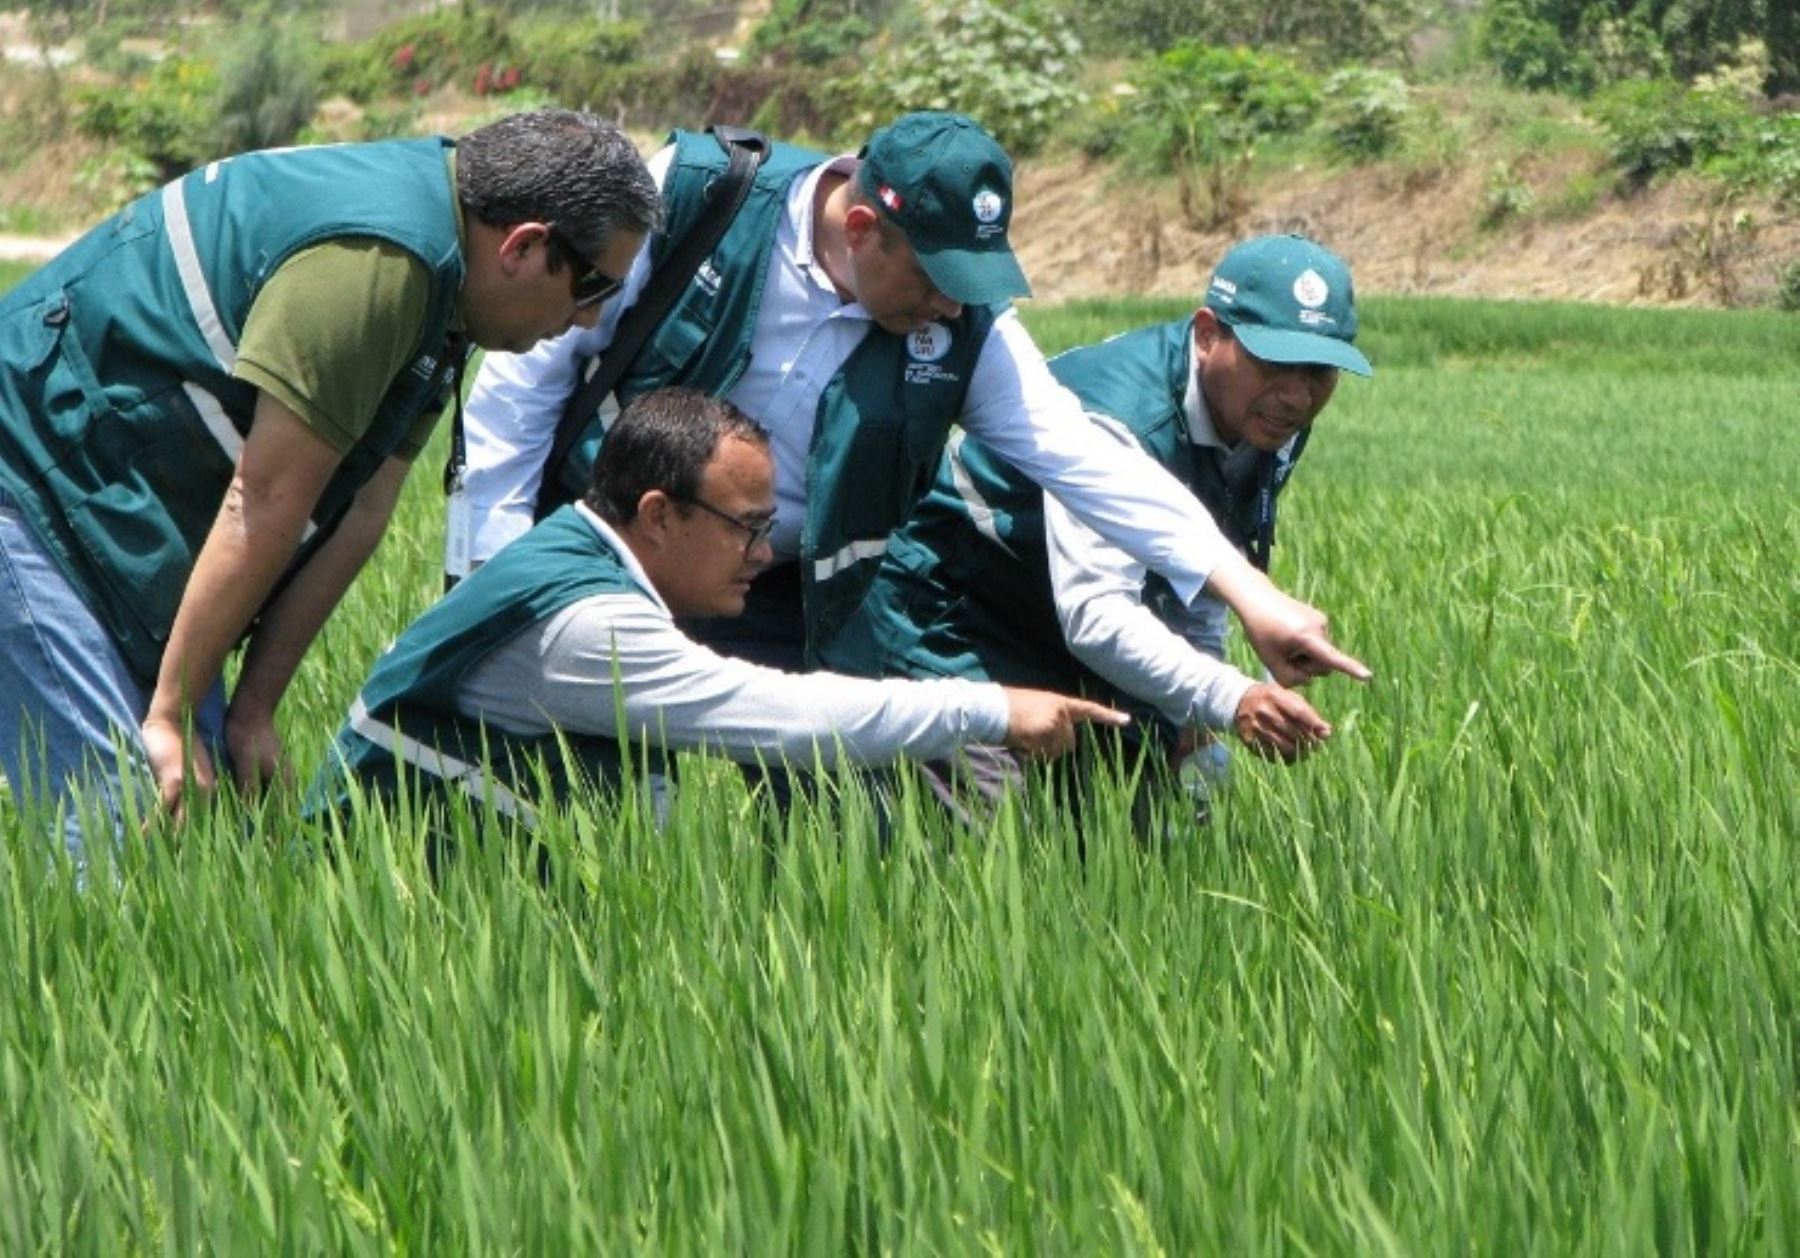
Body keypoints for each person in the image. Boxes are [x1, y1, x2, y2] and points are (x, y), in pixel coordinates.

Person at [445, 111, 1369, 695]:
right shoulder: (697, 202)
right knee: (591, 811)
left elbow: (1080, 458)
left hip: (793, 592)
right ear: (862, 229)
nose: (949, 307)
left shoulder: (964, 322)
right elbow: (523, 384)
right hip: (614, 555)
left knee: (842, 842)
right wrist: (493, 570)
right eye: (934, 278)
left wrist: (1250, 596)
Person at [0, 108, 659, 857]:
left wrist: (254, 707)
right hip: (29, 480)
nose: (591, 319)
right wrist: (174, 712)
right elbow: (268, 495)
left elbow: (363, 508)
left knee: (208, 839)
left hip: (118, 516)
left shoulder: (449, 294)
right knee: (127, 829)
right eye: (594, 286)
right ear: (526, 244)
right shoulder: (378, 261)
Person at [312, 388, 1127, 823]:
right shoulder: (589, 626)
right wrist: (987, 708)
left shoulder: (578, 554)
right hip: (392, 903)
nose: (765, 554)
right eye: (748, 527)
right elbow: (784, 717)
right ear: (660, 513)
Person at [820, 235, 1371, 808]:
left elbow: (1208, 559)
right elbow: (1095, 613)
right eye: (1274, 363)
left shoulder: (1267, 425)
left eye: (1320, 373)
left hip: (1052, 619)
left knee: (1133, 829)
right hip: (953, 614)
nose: (1297, 396)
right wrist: (1226, 696)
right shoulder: (1122, 418)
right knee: (998, 838)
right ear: (1208, 335)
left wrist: (1194, 714)